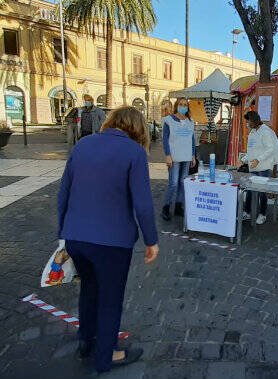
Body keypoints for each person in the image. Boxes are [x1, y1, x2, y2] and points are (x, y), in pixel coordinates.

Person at [57, 106, 159, 373]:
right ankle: (106, 355)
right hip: (112, 242)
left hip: (76, 237)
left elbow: (63, 192)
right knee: (110, 298)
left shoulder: (83, 144)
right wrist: (151, 240)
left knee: (89, 290)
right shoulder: (134, 152)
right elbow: (143, 204)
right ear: (137, 128)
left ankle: (86, 342)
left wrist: (63, 235)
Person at [242, 110, 278, 225]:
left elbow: (270, 149)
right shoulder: (252, 132)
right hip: (254, 166)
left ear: (254, 121)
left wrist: (258, 160)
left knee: (262, 191)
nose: (247, 124)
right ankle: (247, 212)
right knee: (250, 190)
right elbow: (252, 150)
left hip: (264, 167)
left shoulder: (265, 131)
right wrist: (245, 158)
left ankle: (262, 214)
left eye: (248, 121)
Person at [161, 97, 196, 221]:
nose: (183, 106)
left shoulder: (190, 121)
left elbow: (192, 139)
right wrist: (168, 155)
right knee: (173, 183)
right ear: (176, 106)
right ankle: (166, 207)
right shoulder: (168, 120)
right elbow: (165, 139)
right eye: (181, 104)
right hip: (174, 157)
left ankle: (178, 206)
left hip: (186, 156)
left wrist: (193, 155)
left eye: (185, 104)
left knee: (182, 182)